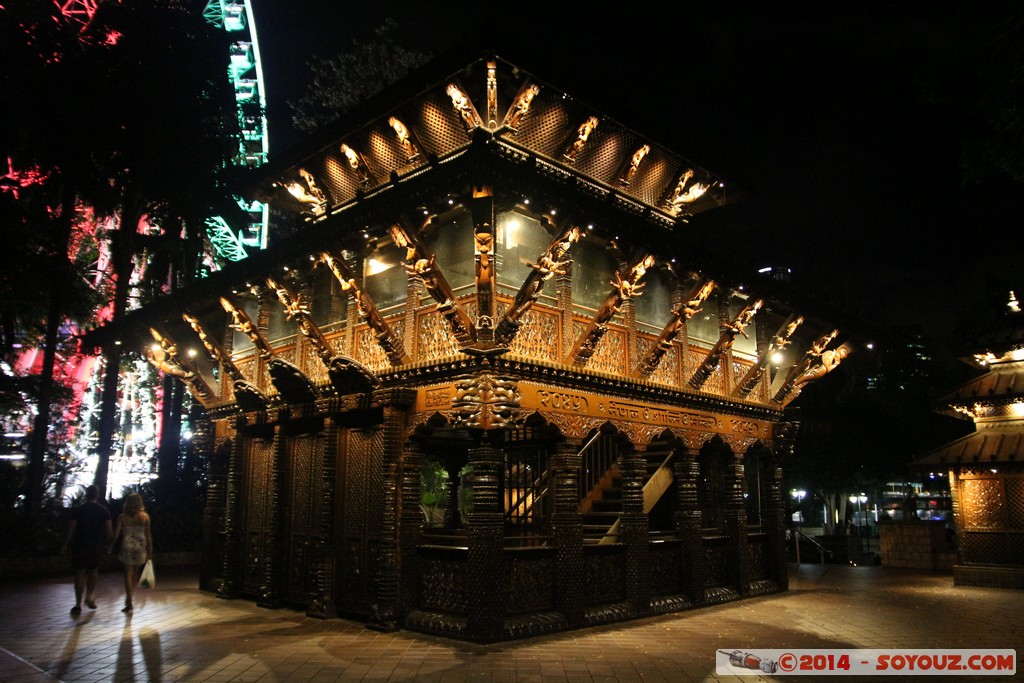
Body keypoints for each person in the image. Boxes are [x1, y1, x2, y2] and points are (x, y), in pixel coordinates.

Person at [63, 484, 112, 616]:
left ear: (86, 494)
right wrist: (109, 544)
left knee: (80, 573)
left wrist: (67, 543)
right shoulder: (103, 511)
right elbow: (109, 531)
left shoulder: (79, 510)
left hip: (80, 544)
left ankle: (78, 603)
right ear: (97, 495)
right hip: (96, 545)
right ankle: (89, 596)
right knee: (93, 571)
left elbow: (72, 528)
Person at [110, 492, 153, 613]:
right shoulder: (145, 517)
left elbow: (116, 535)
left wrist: (111, 546)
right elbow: (148, 535)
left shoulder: (122, 517)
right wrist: (150, 551)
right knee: (135, 573)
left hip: (127, 545)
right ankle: (130, 597)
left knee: (127, 574)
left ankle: (129, 600)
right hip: (140, 545)